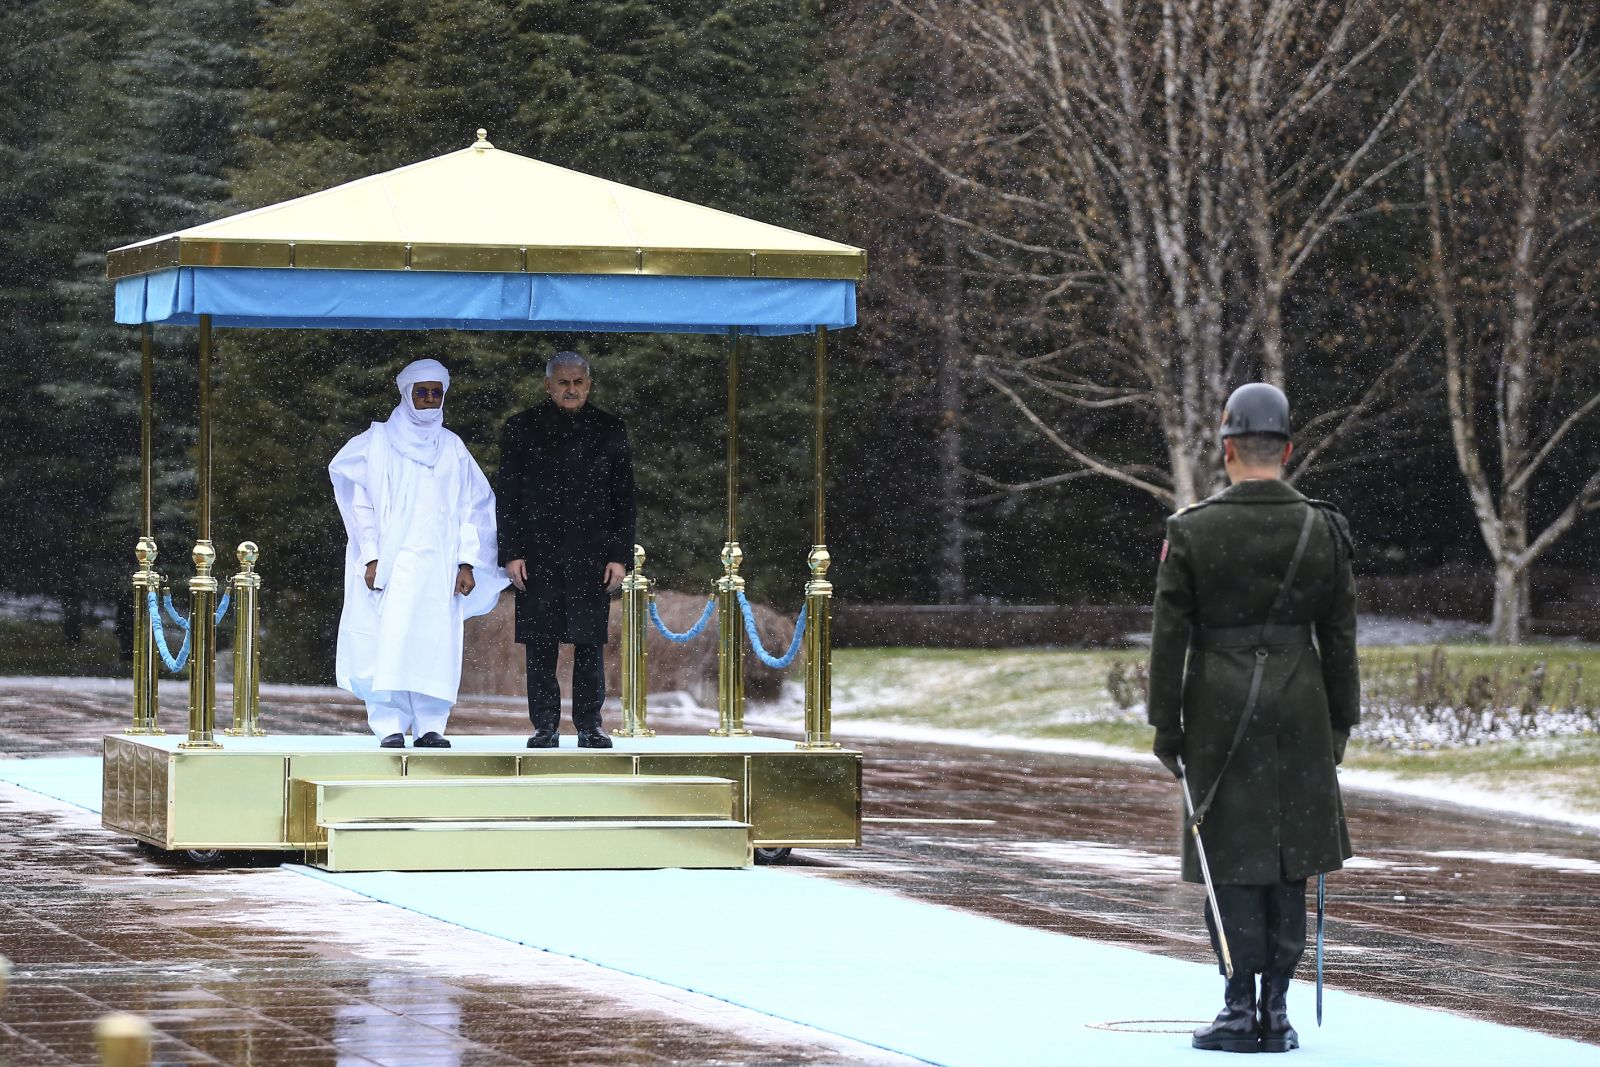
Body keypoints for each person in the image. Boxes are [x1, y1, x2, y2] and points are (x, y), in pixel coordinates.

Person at [1146, 382, 1360, 1054]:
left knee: (1231, 859)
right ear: (1289, 449)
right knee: (1291, 857)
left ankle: (1239, 1007)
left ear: (1227, 448)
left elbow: (1169, 638)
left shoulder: (1191, 530)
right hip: (1301, 705)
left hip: (1218, 707)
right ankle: (1279, 1009)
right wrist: (1339, 723)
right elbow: (1342, 637)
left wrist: (1166, 723)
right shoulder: (1323, 529)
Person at [329, 358, 508, 749]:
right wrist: (372, 557)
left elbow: (473, 507)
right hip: (391, 565)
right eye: (421, 392)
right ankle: (389, 726)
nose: (429, 400)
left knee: (433, 644)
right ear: (406, 393)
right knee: (386, 642)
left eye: (436, 392)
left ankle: (431, 727)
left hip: (438, 566)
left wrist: (466, 561)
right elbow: (362, 508)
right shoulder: (375, 443)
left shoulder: (453, 448)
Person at [496, 351, 636, 749]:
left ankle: (590, 726)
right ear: (548, 385)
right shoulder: (521, 429)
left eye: (578, 382)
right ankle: (545, 727)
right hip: (537, 554)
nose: (571, 389)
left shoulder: (611, 429)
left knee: (590, 643)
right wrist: (511, 552)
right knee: (541, 644)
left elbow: (624, 499)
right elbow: (507, 497)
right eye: (563, 382)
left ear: (589, 385)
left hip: (593, 555)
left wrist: (619, 556)